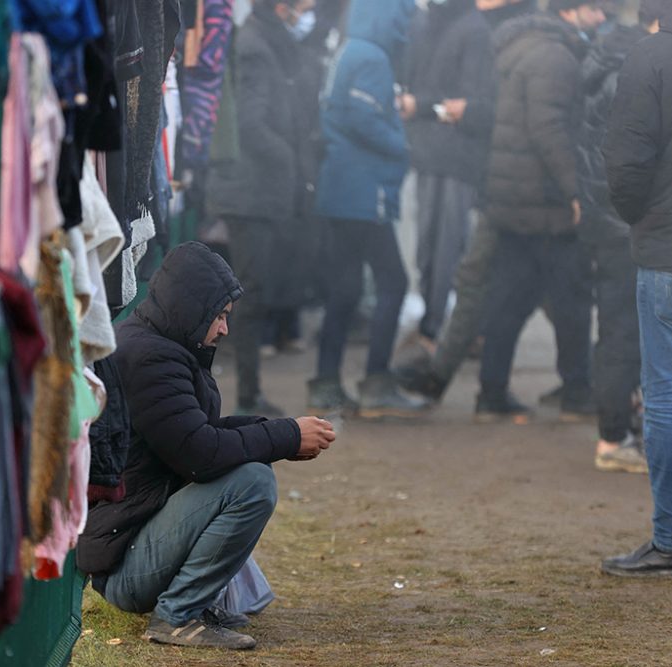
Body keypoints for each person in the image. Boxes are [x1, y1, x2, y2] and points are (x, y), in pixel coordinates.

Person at [77, 242, 336, 648]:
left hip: (135, 543)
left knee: (250, 470)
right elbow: (201, 454)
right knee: (252, 483)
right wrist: (285, 435)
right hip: (126, 565)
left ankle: (191, 607)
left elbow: (197, 433)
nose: (224, 329)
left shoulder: (161, 345)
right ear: (190, 308)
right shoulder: (150, 359)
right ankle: (175, 616)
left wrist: (284, 434)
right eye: (219, 316)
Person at [469, 0, 604, 421]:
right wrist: (574, 191)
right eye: (595, 9)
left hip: (516, 196)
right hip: (543, 203)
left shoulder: (527, 45)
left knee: (510, 299)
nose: (601, 18)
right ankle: (576, 392)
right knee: (571, 299)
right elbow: (549, 128)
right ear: (571, 11)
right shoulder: (555, 56)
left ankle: (491, 393)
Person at [307, 0, 430, 419]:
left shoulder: (348, 47)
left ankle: (326, 380)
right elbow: (365, 118)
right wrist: (403, 145)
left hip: (340, 188)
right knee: (393, 282)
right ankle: (377, 380)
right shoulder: (372, 56)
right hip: (365, 191)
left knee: (344, 290)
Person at [207, 0, 317, 416]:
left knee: (251, 293)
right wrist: (289, 159)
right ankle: (248, 394)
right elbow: (251, 122)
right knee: (249, 297)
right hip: (250, 191)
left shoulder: (261, 40)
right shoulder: (256, 45)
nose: (307, 10)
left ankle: (248, 391)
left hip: (253, 190)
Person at [601, 1, 672, 578]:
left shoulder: (651, 57)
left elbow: (627, 162)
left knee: (668, 396)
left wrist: (639, 216)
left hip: (668, 250)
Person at [576, 0, 666, 474]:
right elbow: (630, 160)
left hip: (603, 216)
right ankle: (614, 438)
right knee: (621, 334)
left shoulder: (607, 60)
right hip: (622, 223)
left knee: (614, 329)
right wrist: (634, 215)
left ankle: (618, 428)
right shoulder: (637, 70)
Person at [400, 0, 495, 351]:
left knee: (446, 249)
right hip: (428, 153)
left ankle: (436, 329)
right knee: (429, 248)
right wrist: (438, 109)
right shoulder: (425, 24)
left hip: (457, 158)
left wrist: (425, 107)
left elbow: (472, 104)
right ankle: (432, 324)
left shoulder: (474, 30)